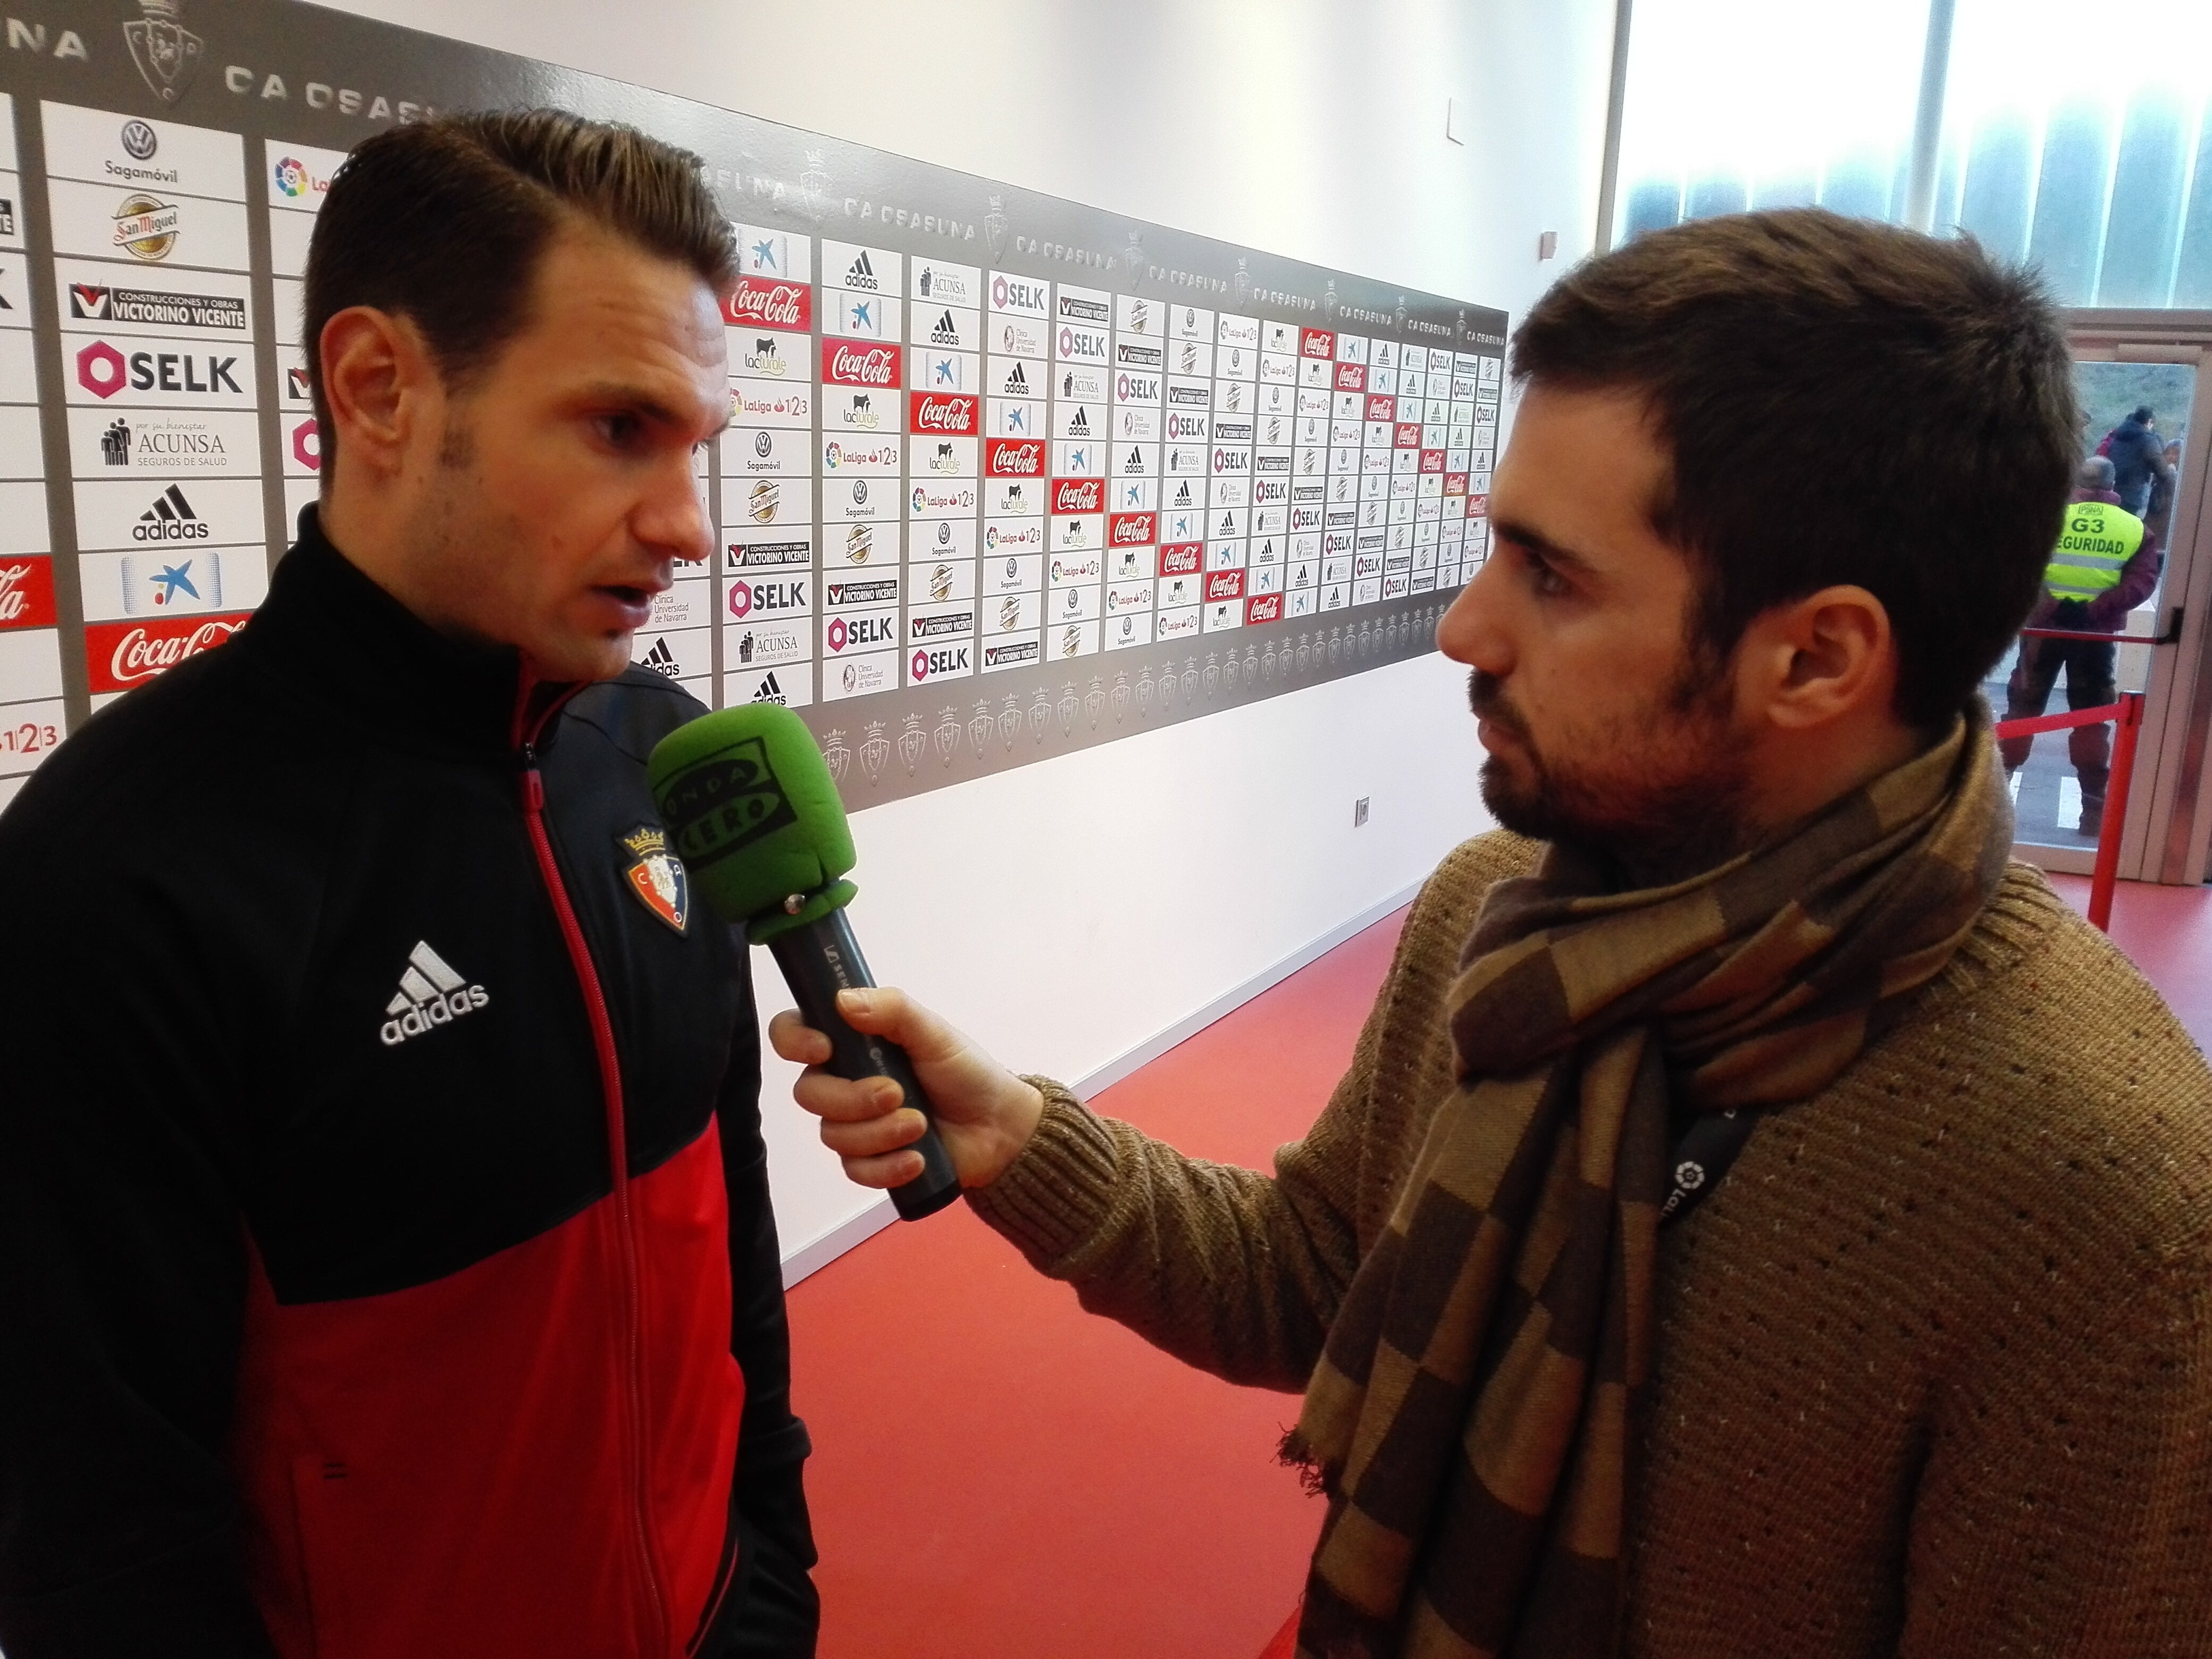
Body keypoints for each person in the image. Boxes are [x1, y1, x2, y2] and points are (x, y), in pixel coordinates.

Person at [778, 211, 2212, 1658]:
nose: (1465, 628)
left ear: (1817, 658)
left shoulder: (2112, 1203)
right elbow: (1328, 1279)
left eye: (1553, 574)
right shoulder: (1502, 914)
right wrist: (1024, 1135)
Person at [0, 113, 818, 1658]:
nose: (686, 526)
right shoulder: (121, 869)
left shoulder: (666, 759)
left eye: (695, 445)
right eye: (617, 429)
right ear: (381, 386)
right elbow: (99, 1534)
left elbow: (728, 1239)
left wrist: (765, 1576)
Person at [2000, 456, 2164, 833]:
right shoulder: (2134, 529)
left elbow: (2022, 568)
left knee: (2022, 711)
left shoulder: (2048, 518)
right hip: (2095, 637)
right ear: (2113, 485)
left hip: (2042, 633)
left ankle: (1994, 800)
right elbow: (2142, 583)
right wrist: (2094, 610)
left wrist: (2052, 606)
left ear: (2077, 481)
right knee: (2092, 719)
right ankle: (2092, 814)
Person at [2098, 403, 2174, 517]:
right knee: (2134, 525)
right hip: (2135, 493)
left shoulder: (2118, 435)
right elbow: (2161, 469)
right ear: (2149, 422)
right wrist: (2173, 485)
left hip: (2113, 490)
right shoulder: (2148, 440)